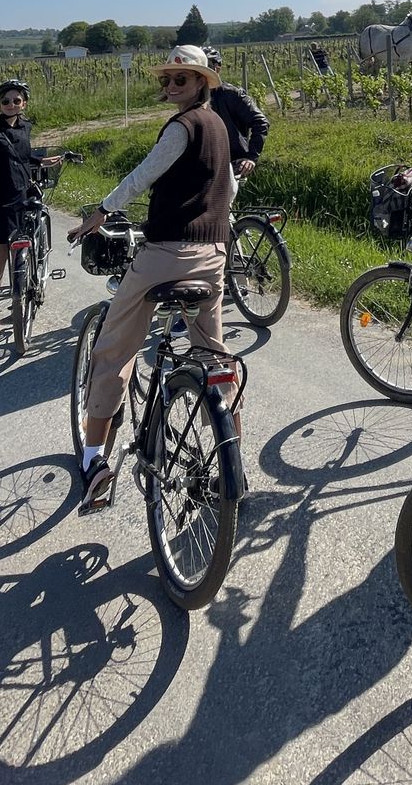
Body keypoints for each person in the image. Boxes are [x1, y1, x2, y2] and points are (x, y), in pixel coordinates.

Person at [68, 46, 237, 510]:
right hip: (213, 251)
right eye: (166, 80)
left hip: (168, 252)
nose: (169, 88)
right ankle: (231, 459)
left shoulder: (182, 127)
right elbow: (229, 185)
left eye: (179, 80)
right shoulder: (219, 127)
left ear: (201, 82)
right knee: (212, 352)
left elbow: (144, 174)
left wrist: (100, 213)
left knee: (113, 347)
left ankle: (93, 459)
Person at [0, 79, 59, 333]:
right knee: (0, 258)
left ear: (25, 103)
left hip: (22, 199)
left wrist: (40, 160)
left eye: (16, 101)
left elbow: (21, 155)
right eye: (6, 101)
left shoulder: (24, 128)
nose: (11, 105)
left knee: (19, 254)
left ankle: (19, 296)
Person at [202, 46, 270, 194]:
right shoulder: (193, 97)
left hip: (232, 161)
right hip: (205, 162)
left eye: (206, 67)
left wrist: (251, 157)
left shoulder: (231, 94)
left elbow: (260, 122)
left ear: (217, 69)